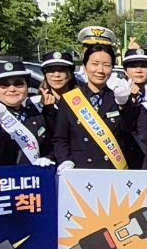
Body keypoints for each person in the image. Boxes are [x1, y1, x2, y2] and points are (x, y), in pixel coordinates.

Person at [51, 34, 136, 170]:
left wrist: (124, 104)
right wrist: (65, 160)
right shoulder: (70, 99)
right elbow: (60, 138)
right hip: (80, 169)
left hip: (111, 169)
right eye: (94, 64)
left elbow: (129, 131)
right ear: (85, 67)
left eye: (106, 65)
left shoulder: (118, 98)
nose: (100, 70)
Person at [0, 61, 54, 168]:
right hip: (0, 180)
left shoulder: (35, 115)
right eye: (4, 85)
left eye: (18, 84)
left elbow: (51, 146)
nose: (12, 89)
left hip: (33, 179)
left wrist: (48, 158)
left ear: (27, 87)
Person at [37, 50, 75, 126]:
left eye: (62, 70)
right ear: (45, 75)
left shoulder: (83, 99)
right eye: (51, 71)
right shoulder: (35, 103)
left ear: (70, 74)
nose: (56, 75)